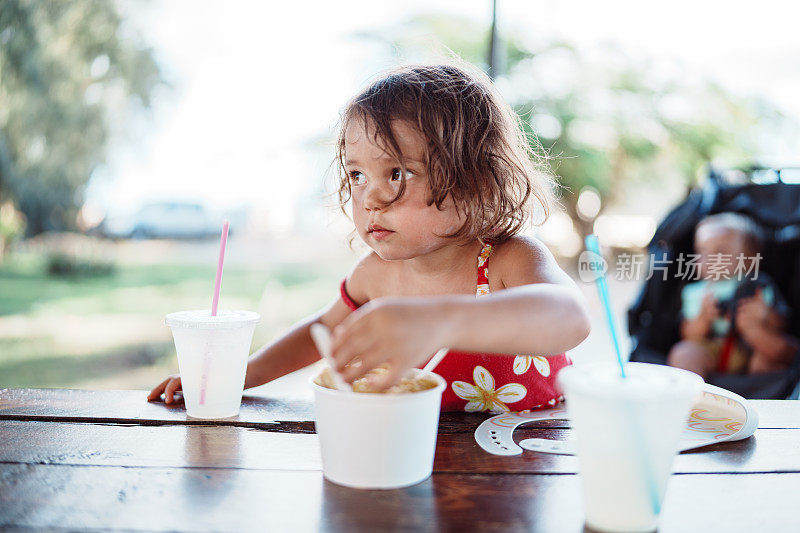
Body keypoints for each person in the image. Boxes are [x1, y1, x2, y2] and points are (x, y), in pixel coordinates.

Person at [148, 62, 591, 413]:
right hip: (425, 466)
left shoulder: (506, 261)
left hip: (527, 466)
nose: (371, 198)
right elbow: (321, 330)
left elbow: (571, 317)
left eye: (397, 172)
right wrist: (238, 375)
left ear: (474, 182)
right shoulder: (377, 277)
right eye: (357, 174)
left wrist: (437, 320)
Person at [667, 212, 797, 378]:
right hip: (712, 350)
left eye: (720, 252)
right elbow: (687, 333)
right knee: (683, 352)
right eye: (702, 251)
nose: (709, 259)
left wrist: (765, 317)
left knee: (775, 352)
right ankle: (694, 395)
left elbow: (782, 323)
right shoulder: (695, 292)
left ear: (749, 259)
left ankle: (762, 391)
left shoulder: (759, 286)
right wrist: (703, 319)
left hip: (752, 348)